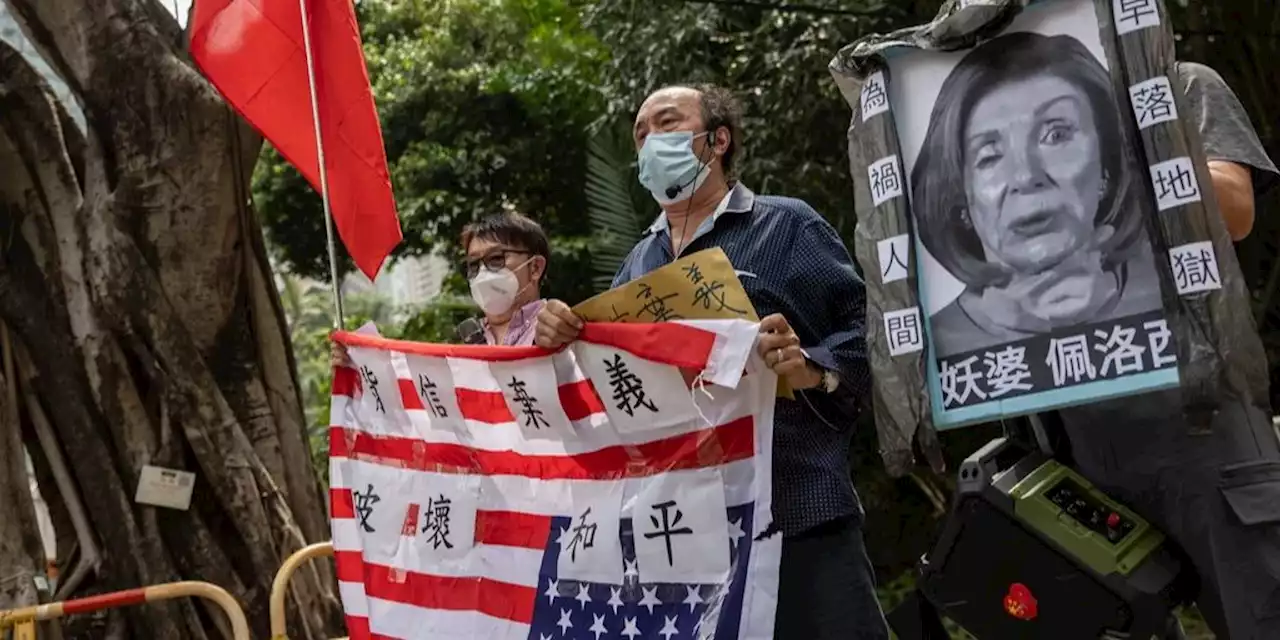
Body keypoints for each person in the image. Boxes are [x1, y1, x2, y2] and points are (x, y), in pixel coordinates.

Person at [535, 84, 888, 639]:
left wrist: (812, 366)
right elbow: (613, 397)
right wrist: (560, 340)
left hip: (800, 516)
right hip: (690, 545)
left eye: (667, 124)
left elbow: (874, 332)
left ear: (717, 140)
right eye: (640, 133)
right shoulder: (635, 267)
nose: (650, 141)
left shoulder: (786, 227)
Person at [913, 32, 1161, 358]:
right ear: (960, 198)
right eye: (988, 156)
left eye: (1056, 135)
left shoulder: (1173, 294)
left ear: (1107, 165)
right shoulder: (934, 352)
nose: (1025, 177)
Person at [331, 212, 550, 365]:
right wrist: (360, 370)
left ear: (535, 267)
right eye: (474, 265)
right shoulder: (464, 347)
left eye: (496, 259)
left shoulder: (561, 331)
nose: (483, 273)